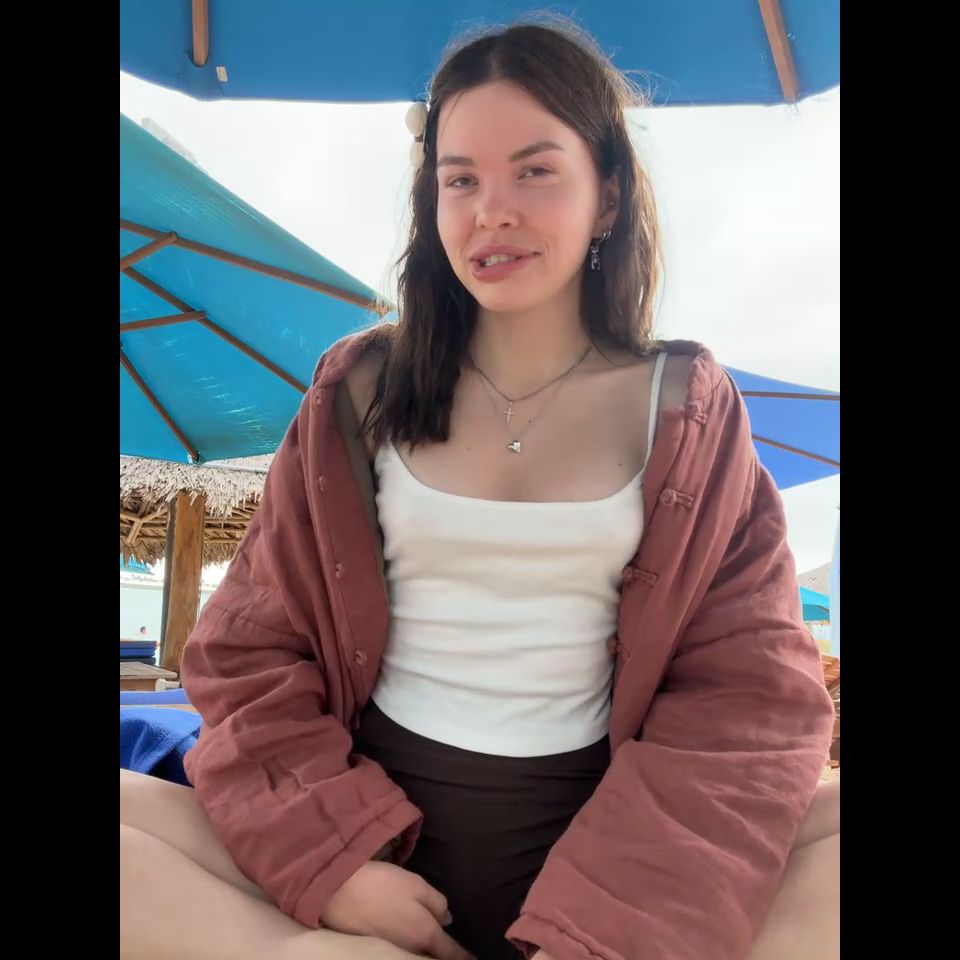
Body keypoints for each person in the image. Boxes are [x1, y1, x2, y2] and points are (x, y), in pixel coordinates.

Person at [120, 17, 838, 960]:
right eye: (459, 180)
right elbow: (248, 651)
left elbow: (750, 695)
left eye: (534, 171)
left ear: (608, 195)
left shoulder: (687, 409)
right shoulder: (359, 390)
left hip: (609, 858)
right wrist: (336, 864)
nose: (491, 211)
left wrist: (611, 929)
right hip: (372, 843)